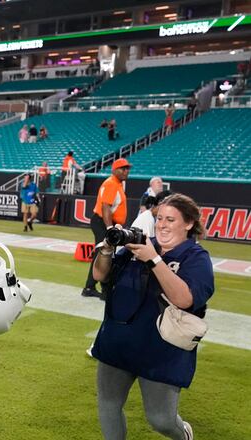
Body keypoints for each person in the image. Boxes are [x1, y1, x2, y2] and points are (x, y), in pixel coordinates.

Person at [90, 194, 212, 440]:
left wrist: (154, 260)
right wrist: (106, 250)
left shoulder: (196, 258)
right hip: (119, 340)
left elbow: (185, 299)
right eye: (160, 219)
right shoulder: (142, 243)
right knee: (108, 405)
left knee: (161, 419)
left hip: (161, 351)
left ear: (188, 224)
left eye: (171, 219)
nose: (162, 224)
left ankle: (183, 434)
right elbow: (99, 275)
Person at [82, 158, 131, 299]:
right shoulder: (111, 184)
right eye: (123, 168)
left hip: (105, 222)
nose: (126, 171)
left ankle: (103, 289)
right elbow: (105, 207)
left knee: (105, 254)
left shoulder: (117, 184)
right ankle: (91, 288)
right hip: (102, 222)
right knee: (102, 254)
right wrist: (110, 228)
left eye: (127, 168)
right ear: (115, 170)